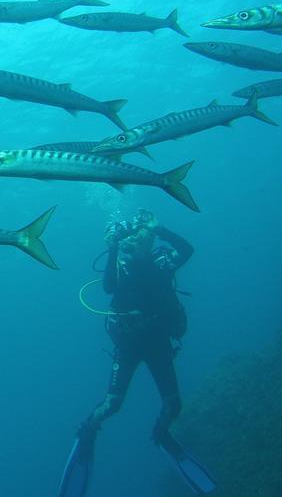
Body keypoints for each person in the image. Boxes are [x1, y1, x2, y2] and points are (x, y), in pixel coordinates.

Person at [58, 209, 216, 496]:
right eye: (133, 238)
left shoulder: (162, 261)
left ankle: (161, 434)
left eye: (142, 238)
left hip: (157, 343)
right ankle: (88, 430)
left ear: (151, 240)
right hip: (129, 345)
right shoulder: (122, 263)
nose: (136, 243)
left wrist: (161, 227)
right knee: (112, 404)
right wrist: (112, 248)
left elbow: (187, 249)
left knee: (173, 406)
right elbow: (108, 287)